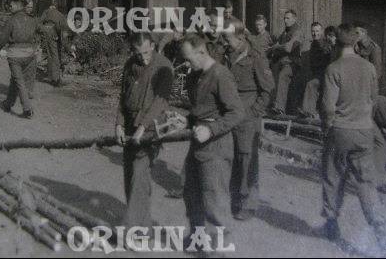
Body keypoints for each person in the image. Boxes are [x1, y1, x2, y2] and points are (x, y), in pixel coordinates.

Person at [320, 23, 386, 255]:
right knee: (365, 183)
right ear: (355, 42)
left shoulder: (333, 68)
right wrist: (365, 122)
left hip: (340, 130)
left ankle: (331, 223)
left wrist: (327, 128)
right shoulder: (369, 68)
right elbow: (374, 99)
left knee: (333, 176)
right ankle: (381, 230)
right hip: (363, 130)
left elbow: (328, 108)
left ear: (337, 43)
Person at [180, 33, 244, 246]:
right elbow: (201, 110)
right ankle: (199, 239)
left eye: (189, 59)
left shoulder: (220, 75)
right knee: (192, 192)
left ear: (201, 52)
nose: (186, 64)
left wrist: (211, 129)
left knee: (214, 199)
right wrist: (184, 120)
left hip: (216, 145)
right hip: (198, 143)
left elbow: (236, 113)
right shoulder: (197, 75)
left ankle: (217, 248)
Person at [115, 33, 174, 228]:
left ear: (154, 46)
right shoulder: (130, 64)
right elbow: (123, 97)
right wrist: (119, 125)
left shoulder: (164, 66)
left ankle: (132, 226)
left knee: (139, 175)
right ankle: (143, 225)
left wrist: (143, 127)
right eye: (139, 54)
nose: (143, 57)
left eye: (147, 52)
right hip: (131, 124)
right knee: (129, 176)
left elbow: (160, 102)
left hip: (151, 128)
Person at [222, 18, 274, 221]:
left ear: (241, 37)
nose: (224, 42)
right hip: (230, 114)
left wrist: (253, 112)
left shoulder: (256, 57)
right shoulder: (227, 55)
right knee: (231, 156)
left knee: (247, 159)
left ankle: (249, 202)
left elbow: (268, 89)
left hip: (247, 115)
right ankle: (235, 198)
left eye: (227, 39)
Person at [0, 0, 44, 119]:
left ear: (18, 5)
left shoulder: (12, 20)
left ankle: (27, 109)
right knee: (16, 80)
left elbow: (2, 39)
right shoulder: (33, 19)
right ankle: (8, 103)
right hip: (29, 54)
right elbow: (42, 31)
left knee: (19, 81)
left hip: (15, 55)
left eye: (11, 5)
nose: (9, 7)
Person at [268, 9, 305, 115]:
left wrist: (277, 47)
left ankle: (279, 108)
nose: (285, 20)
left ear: (294, 19)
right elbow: (276, 46)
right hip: (281, 62)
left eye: (288, 18)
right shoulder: (285, 32)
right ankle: (271, 105)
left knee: (283, 75)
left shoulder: (298, 32)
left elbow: (289, 48)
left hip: (293, 63)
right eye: (284, 18)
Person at [298, 22, 333, 118]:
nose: (315, 33)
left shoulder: (326, 44)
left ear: (321, 31)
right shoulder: (313, 44)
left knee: (311, 84)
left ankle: (308, 111)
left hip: (326, 74)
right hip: (317, 74)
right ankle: (308, 111)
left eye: (317, 31)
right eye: (313, 31)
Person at [40, 4, 69, 86]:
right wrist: (68, 49)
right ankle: (56, 79)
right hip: (54, 34)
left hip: (49, 33)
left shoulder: (47, 12)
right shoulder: (62, 16)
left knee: (51, 55)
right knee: (55, 56)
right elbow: (64, 35)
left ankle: (52, 77)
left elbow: (40, 22)